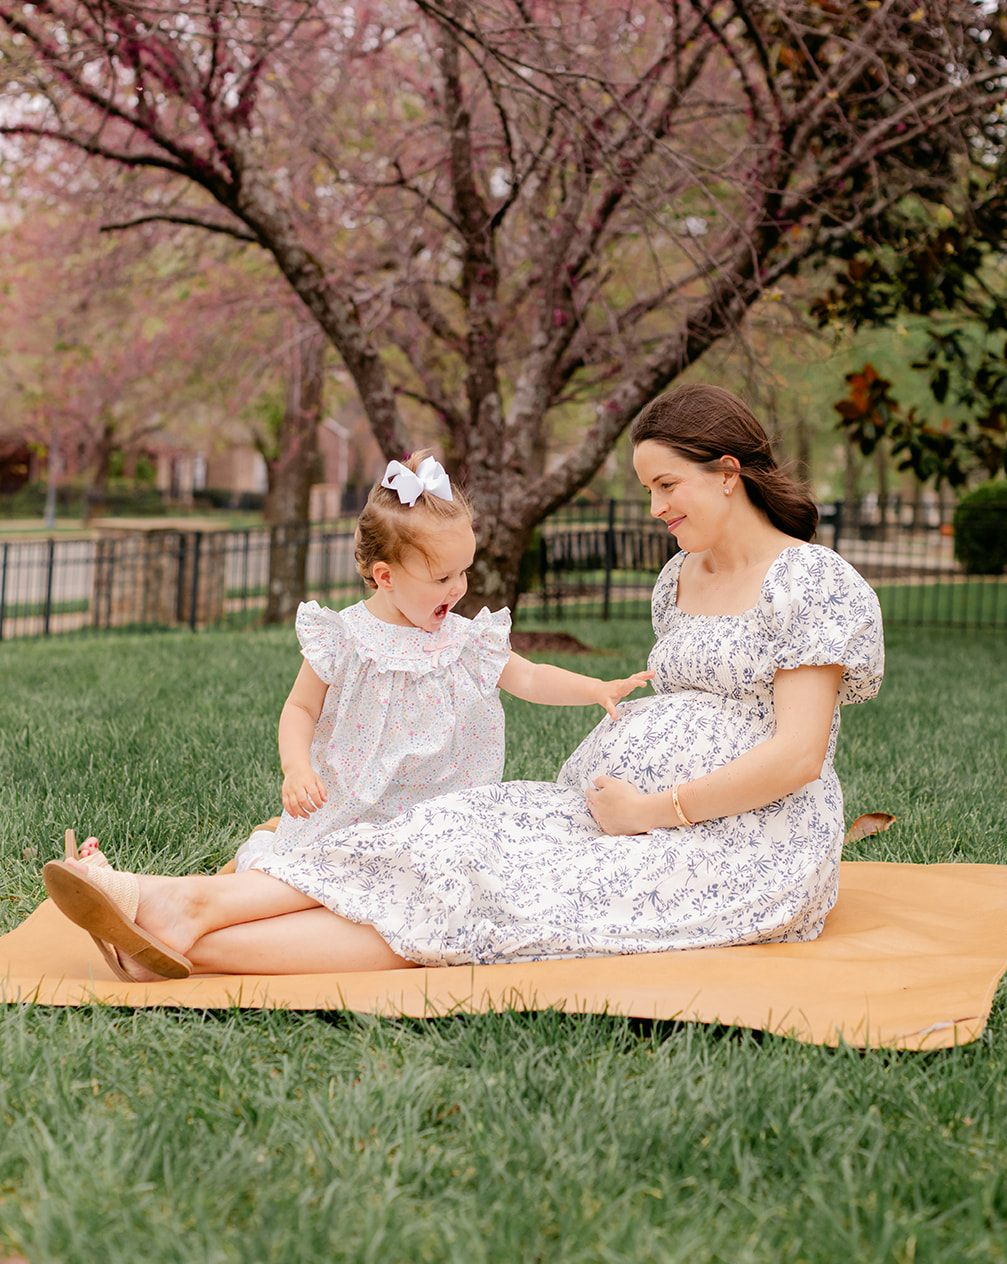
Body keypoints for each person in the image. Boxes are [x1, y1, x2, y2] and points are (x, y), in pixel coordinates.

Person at [43, 386, 884, 983]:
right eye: (649, 489)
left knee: (485, 898)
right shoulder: (682, 578)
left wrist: (650, 811)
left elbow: (797, 755)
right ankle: (181, 914)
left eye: (667, 486)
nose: (655, 508)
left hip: (737, 842)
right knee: (451, 829)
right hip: (615, 815)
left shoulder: (811, 581)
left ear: (727, 473)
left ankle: (177, 923)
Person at [232, 449, 650, 873]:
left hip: (444, 812)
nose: (458, 589)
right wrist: (297, 767)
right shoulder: (345, 639)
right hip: (358, 807)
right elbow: (301, 708)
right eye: (442, 578)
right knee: (325, 870)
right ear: (386, 576)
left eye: (463, 572)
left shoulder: (464, 641)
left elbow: (530, 676)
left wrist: (596, 689)